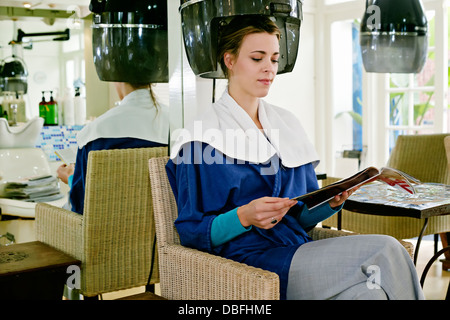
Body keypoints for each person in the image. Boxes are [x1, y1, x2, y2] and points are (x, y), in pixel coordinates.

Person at [165, 15, 424, 300]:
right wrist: (244, 216)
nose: (269, 69)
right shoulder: (201, 138)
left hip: (297, 248)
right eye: (257, 58)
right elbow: (190, 233)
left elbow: (300, 218)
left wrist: (330, 204)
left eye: (274, 59)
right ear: (229, 60)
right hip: (249, 264)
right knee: (386, 250)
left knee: (370, 294)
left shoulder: (286, 125)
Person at [57, 82, 169, 215]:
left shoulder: (93, 133)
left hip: (104, 231)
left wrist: (70, 177)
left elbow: (81, 206)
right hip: (166, 228)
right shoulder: (178, 123)